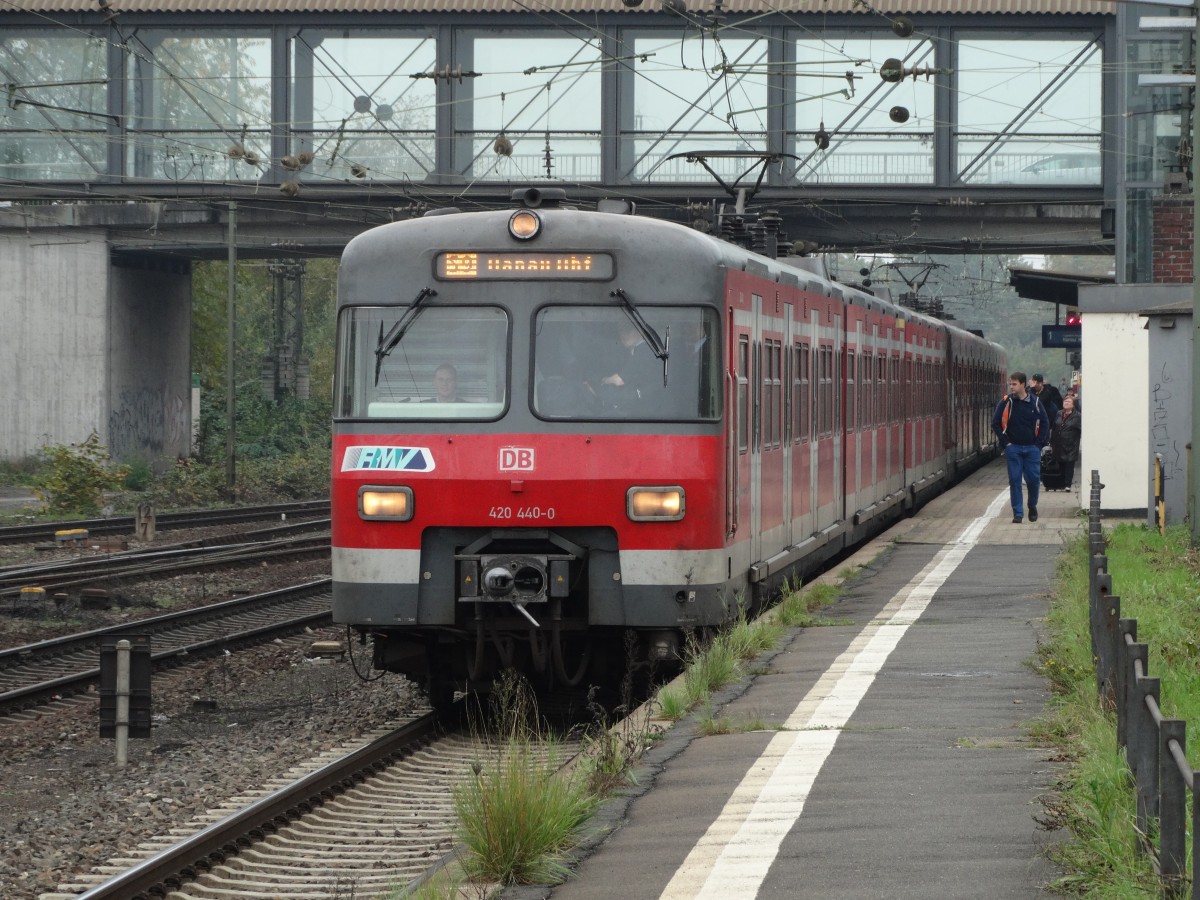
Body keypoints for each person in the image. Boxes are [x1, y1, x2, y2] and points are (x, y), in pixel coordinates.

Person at [992, 371, 1051, 524]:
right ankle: (1018, 513)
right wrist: (1006, 443)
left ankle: (1032, 505)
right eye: (1010, 384)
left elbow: (1045, 423)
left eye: (1014, 384)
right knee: (1015, 480)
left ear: (1023, 384)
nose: (1011, 387)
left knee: (1033, 480)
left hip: (1032, 449)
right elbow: (995, 422)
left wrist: (1038, 444)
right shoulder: (1006, 402)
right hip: (1014, 449)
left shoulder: (1036, 403)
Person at [1049, 394, 1082, 489]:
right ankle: (1061, 483)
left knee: (1069, 464)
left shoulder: (1078, 416)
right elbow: (1054, 427)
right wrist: (1051, 441)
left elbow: (1081, 430)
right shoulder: (1059, 413)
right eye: (1065, 401)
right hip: (1058, 444)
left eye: (1068, 402)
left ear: (1073, 405)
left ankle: (1068, 484)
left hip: (1071, 445)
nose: (1066, 403)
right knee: (1060, 463)